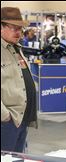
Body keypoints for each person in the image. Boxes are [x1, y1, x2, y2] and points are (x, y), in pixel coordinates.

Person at [1, 7, 37, 152]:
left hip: (21, 119)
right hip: (7, 121)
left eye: (20, 29)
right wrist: (5, 116)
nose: (18, 33)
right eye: (13, 28)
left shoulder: (16, 48)